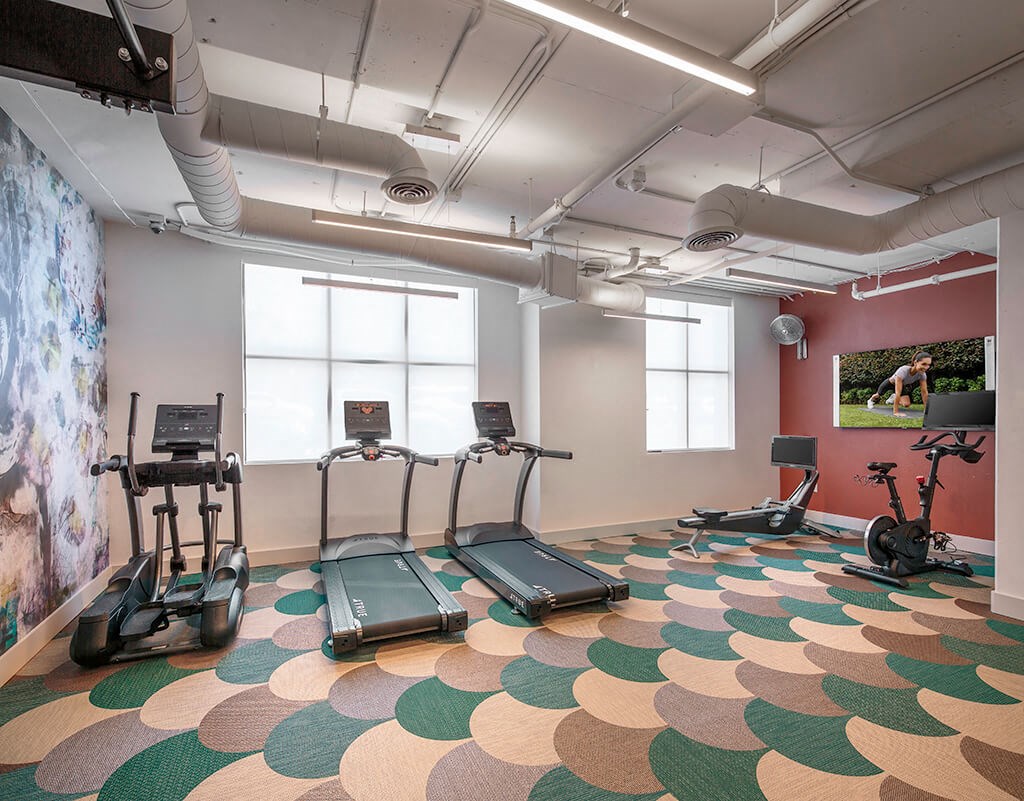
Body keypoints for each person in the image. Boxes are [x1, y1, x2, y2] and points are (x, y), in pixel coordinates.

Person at [867, 352, 931, 417]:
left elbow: (924, 392)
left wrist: (926, 409)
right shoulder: (903, 370)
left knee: (907, 404)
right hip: (889, 383)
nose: (926, 367)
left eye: (928, 365)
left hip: (901, 385)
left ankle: (893, 397)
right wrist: (896, 412)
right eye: (923, 364)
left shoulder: (922, 375)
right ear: (915, 363)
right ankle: (870, 400)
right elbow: (898, 392)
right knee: (878, 395)